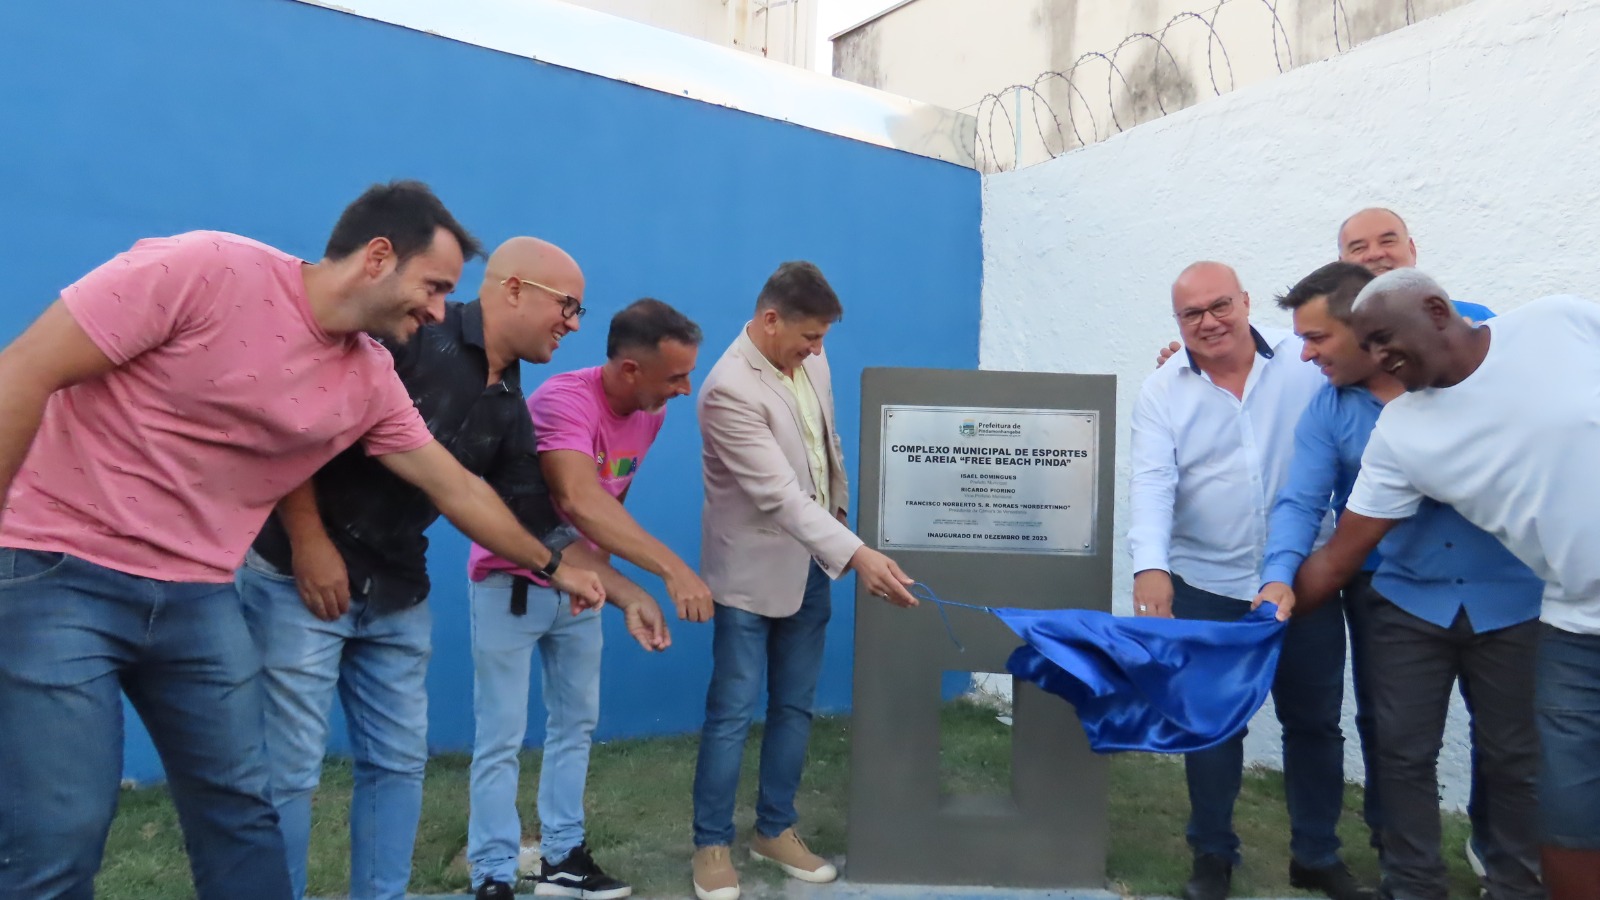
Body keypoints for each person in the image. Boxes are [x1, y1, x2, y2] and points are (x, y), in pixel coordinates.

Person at [0, 180, 603, 900]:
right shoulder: (206, 269)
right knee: (63, 827)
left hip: (197, 593)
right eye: (435, 286)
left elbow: (457, 488)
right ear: (378, 258)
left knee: (243, 817)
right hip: (61, 569)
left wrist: (551, 563)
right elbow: (26, 368)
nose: (442, 311)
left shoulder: (370, 375)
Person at [237, 235, 650, 900]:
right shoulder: (410, 339)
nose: (574, 326)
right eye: (568, 307)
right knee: (287, 774)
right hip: (297, 578)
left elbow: (526, 516)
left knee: (398, 768)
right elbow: (298, 425)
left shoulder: (511, 405)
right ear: (513, 288)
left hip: (398, 589)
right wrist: (309, 539)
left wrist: (603, 583)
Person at [1281, 268, 1600, 900]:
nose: (1378, 358)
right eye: (1365, 345)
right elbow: (1340, 553)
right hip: (1573, 626)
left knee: (1515, 760)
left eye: (1382, 338)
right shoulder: (1401, 435)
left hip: (1512, 607)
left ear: (1436, 309)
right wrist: (1262, 619)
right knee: (1566, 809)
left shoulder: (1555, 319)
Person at [1129, 261, 1368, 900]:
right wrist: (1149, 565)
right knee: (1211, 726)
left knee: (1315, 723)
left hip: (1302, 582)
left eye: (1219, 306)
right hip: (1207, 582)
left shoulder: (1302, 363)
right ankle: (1212, 856)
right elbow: (1153, 480)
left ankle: (1317, 854)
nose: (1208, 322)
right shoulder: (1162, 389)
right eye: (1190, 314)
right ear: (1176, 323)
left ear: (1245, 301)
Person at [466, 298, 709, 900]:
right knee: (501, 735)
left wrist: (620, 591)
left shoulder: (650, 414)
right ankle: (492, 875)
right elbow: (576, 499)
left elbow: (608, 510)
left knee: (575, 725)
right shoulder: (562, 402)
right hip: (512, 581)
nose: (686, 389)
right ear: (630, 369)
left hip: (580, 589)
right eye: (675, 376)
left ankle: (563, 859)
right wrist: (671, 571)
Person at [689, 261, 917, 900]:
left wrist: (840, 528)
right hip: (750, 573)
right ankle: (711, 843)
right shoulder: (728, 389)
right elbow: (780, 497)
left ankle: (774, 828)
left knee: (794, 705)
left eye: (822, 339)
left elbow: (825, 450)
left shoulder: (811, 362)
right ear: (770, 320)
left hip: (812, 564)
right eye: (808, 337)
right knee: (732, 712)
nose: (818, 350)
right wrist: (859, 555)